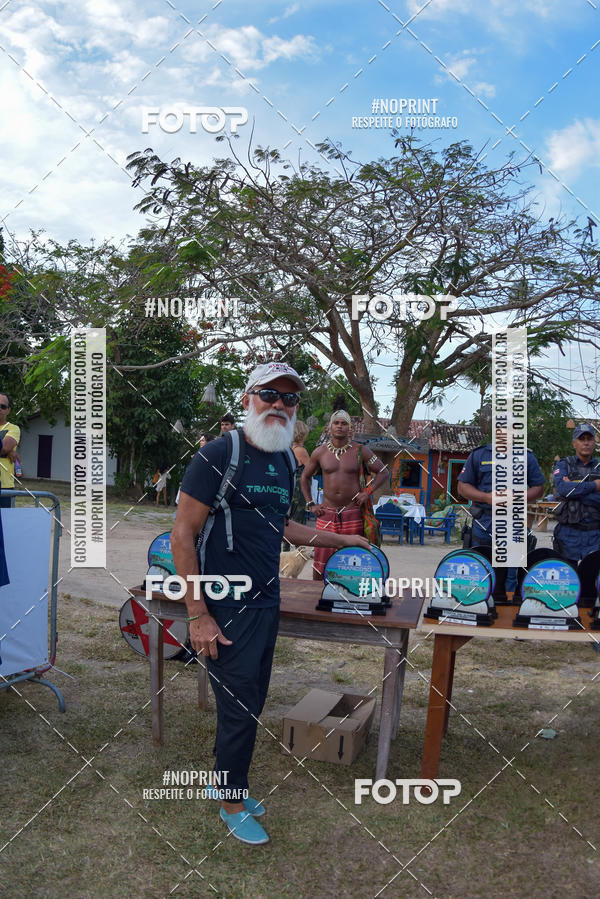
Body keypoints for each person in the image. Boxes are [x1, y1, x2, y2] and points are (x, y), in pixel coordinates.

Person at [170, 362, 370, 846]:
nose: (279, 404)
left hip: (265, 601)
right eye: (269, 394)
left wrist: (341, 542)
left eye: (290, 398)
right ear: (247, 400)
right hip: (223, 605)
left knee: (253, 700)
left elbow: (281, 527)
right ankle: (231, 802)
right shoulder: (219, 454)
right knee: (238, 708)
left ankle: (227, 782)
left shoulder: (284, 460)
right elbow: (182, 534)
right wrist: (198, 614)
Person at [300, 409, 388, 580]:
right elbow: (305, 477)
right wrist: (310, 504)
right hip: (326, 514)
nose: (340, 426)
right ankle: (317, 600)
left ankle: (350, 600)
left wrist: (367, 492)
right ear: (330, 427)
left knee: (352, 563)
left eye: (344, 423)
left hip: (352, 514)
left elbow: (383, 472)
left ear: (350, 428)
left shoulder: (361, 451)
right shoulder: (320, 452)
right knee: (321, 564)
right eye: (336, 423)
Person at [457, 430, 545, 598]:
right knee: (480, 567)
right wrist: (486, 497)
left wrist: (517, 497)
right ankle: (478, 605)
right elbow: (462, 487)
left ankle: (506, 608)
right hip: (484, 521)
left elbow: (538, 488)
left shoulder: (526, 456)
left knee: (512, 572)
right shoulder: (479, 454)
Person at [552, 423, 600, 563]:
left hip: (595, 535)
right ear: (574, 443)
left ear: (594, 442)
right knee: (568, 581)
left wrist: (574, 490)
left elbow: (569, 492)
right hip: (568, 535)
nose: (586, 443)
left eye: (589, 439)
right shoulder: (563, 464)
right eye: (581, 439)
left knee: (593, 581)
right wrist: (594, 485)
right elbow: (563, 489)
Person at [0, 393, 20, 509]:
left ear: (8, 410)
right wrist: (8, 452)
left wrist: (7, 451)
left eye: (2, 406)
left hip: (4, 487)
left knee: (5, 526)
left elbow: (4, 448)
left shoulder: (13, 428)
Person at [288, 419, 310, 524]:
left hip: (291, 486)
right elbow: (312, 471)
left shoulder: (291, 449)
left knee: (291, 516)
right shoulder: (301, 451)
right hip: (300, 488)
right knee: (298, 518)